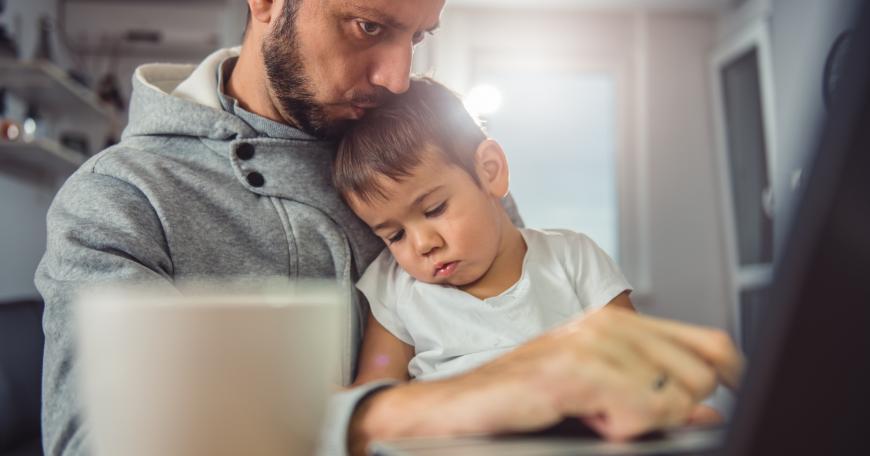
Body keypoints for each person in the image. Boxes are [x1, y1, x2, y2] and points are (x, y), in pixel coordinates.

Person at [35, 1, 743, 455]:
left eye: (420, 37)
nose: (398, 77)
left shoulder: (421, 148)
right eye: (368, 26)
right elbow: (95, 444)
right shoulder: (120, 201)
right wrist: (403, 414)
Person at [334, 76, 724, 421]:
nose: (423, 244)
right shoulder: (395, 285)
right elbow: (375, 397)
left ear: (490, 172)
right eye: (394, 236)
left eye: (434, 209)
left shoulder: (573, 257)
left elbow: (637, 358)